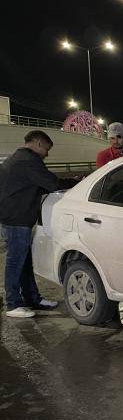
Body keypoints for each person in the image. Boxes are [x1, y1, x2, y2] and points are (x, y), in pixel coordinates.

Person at [0, 130, 61, 318]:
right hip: (17, 219)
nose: (47, 154)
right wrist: (75, 183)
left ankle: (32, 299)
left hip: (11, 217)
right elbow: (51, 183)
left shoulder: (15, 158)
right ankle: (12, 304)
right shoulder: (29, 161)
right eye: (47, 149)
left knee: (24, 262)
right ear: (39, 143)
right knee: (15, 262)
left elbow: (30, 185)